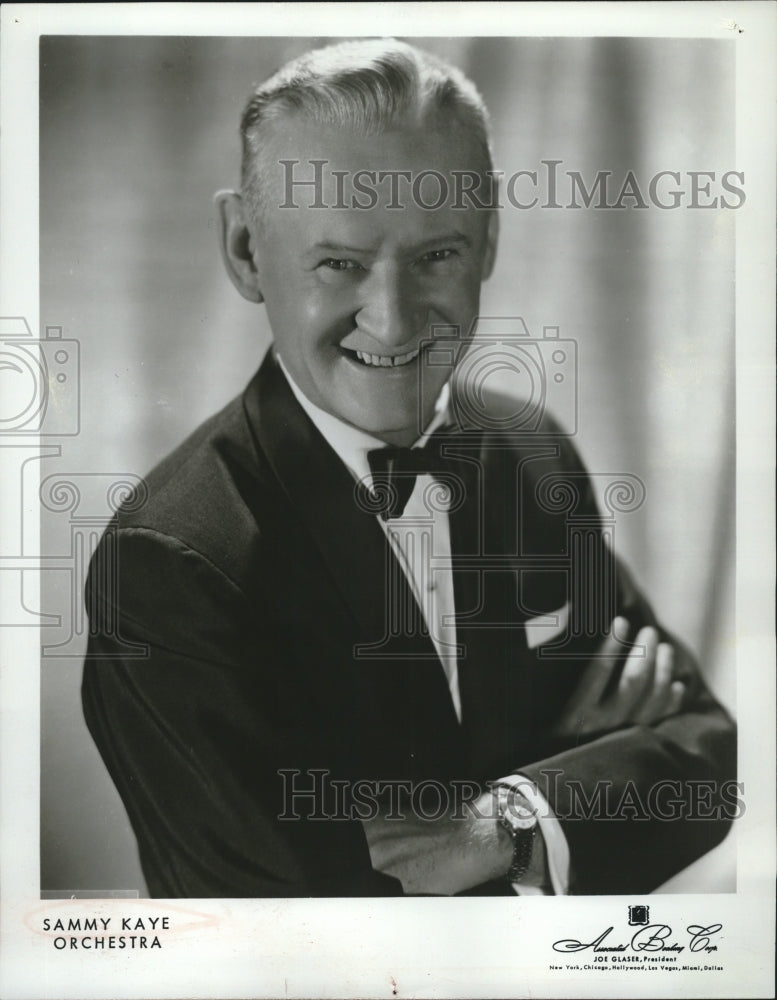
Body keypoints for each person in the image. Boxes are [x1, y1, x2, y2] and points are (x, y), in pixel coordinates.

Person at [82, 38, 736, 898]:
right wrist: (563, 776)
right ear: (245, 249)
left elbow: (707, 754)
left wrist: (496, 822)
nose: (392, 324)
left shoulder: (526, 448)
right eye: (340, 263)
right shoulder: (168, 561)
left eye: (436, 256)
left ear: (490, 239)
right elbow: (290, 931)